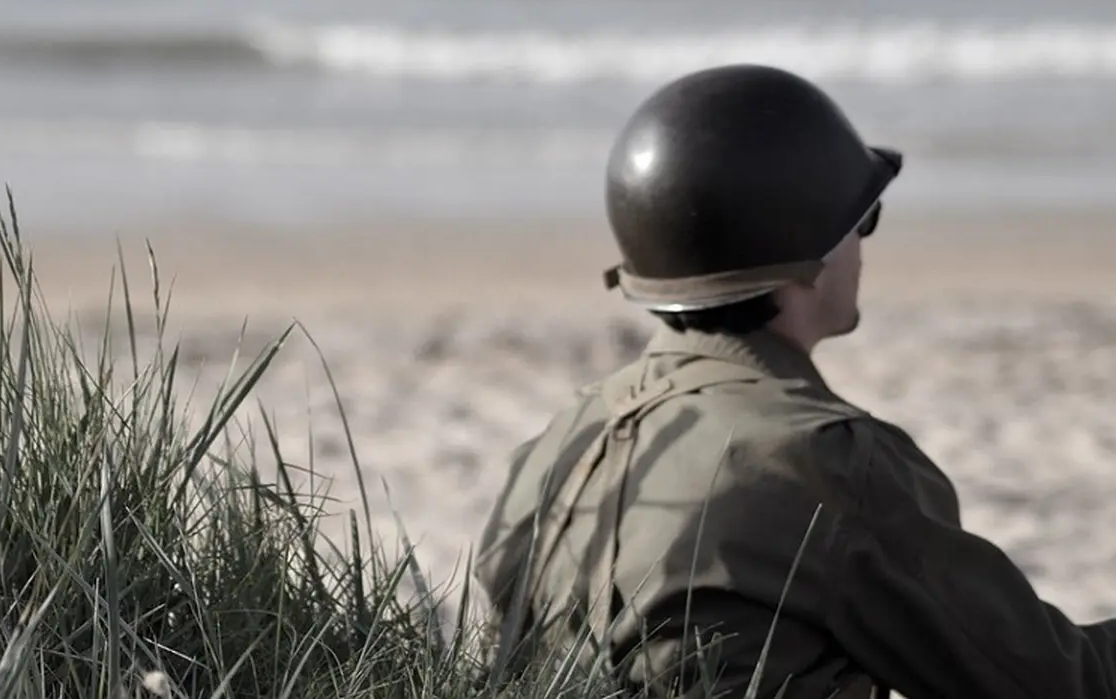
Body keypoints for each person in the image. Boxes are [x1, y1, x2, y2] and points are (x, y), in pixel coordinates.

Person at [473, 64, 1116, 699]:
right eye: (862, 221)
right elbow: (1056, 680)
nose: (863, 246)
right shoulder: (821, 460)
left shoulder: (557, 445)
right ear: (808, 256)